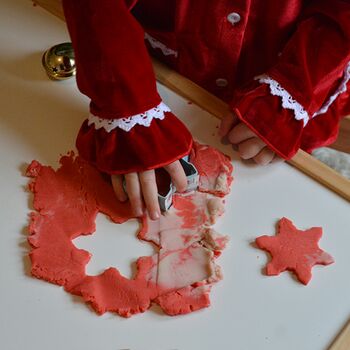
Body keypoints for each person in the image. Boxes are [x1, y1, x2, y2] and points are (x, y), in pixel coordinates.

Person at [62, 0, 350, 220]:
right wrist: (124, 100)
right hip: (160, 65)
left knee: (277, 200)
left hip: (293, 60)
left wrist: (294, 89)